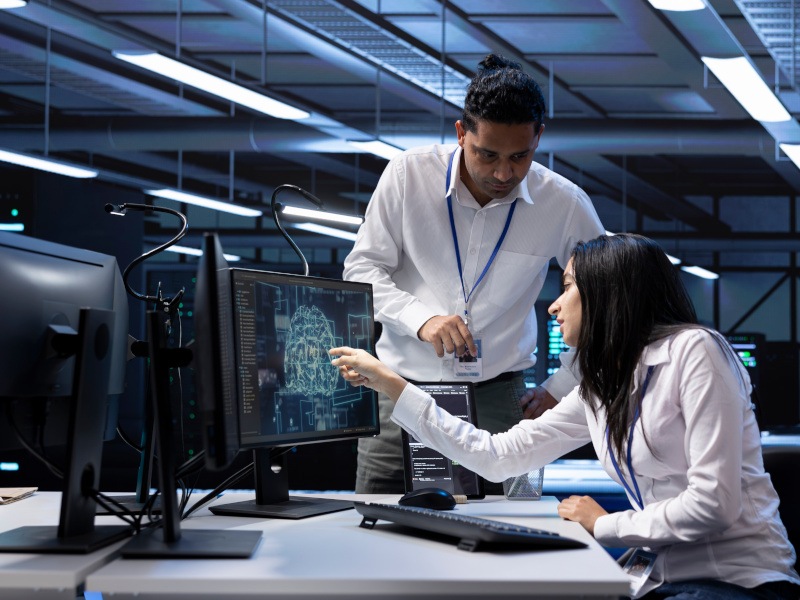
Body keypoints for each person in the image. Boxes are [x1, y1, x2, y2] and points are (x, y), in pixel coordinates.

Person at [331, 233, 800, 600]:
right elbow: (497, 456)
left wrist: (605, 524)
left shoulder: (695, 351)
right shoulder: (603, 383)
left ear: (609, 294)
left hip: (739, 581)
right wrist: (393, 385)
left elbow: (712, 505)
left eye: (569, 287)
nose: (554, 305)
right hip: (662, 577)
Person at [343, 53, 604, 493]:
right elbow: (361, 269)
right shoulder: (408, 176)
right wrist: (420, 320)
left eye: (520, 156)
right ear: (461, 133)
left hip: (499, 397)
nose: (504, 172)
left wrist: (564, 383)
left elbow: (608, 295)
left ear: (539, 137)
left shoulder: (564, 203)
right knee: (379, 521)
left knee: (504, 533)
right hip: (400, 388)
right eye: (487, 155)